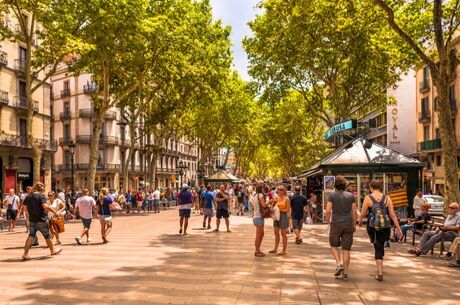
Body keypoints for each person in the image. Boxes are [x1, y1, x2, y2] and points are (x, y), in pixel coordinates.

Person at [358, 179, 402, 281]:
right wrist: (398, 228)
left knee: (377, 246)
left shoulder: (368, 198)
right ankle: (381, 261)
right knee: (380, 245)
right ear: (380, 187)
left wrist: (359, 222)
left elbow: (363, 213)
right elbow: (392, 215)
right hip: (385, 226)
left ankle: (380, 273)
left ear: (371, 187)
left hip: (372, 227)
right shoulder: (387, 198)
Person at [326, 176, 357, 279]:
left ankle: (339, 264)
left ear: (335, 185)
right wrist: (354, 224)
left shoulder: (332, 195)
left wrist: (327, 221)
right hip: (348, 223)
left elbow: (328, 210)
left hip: (336, 223)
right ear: (344, 185)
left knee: (333, 245)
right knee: (346, 249)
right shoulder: (351, 196)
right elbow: (354, 212)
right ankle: (346, 273)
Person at [22, 182, 62, 261]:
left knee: (31, 236)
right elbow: (45, 206)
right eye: (43, 186)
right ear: (40, 188)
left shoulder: (28, 197)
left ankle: (25, 254)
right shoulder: (41, 196)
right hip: (41, 219)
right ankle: (52, 251)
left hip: (32, 220)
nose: (44, 188)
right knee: (47, 236)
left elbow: (25, 208)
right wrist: (55, 212)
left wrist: (29, 214)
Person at [269, 185, 291, 255]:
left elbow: (288, 209)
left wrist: (280, 210)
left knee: (283, 233)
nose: (279, 191)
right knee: (276, 232)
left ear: (284, 191)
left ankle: (284, 250)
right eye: (278, 189)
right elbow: (272, 206)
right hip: (276, 216)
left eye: (281, 189)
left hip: (283, 216)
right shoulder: (276, 198)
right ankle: (275, 248)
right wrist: (273, 206)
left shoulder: (287, 199)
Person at [251, 183, 268, 257]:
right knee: (258, 235)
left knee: (261, 234)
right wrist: (270, 202)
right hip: (258, 217)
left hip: (256, 216)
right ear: (261, 189)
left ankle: (258, 250)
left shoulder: (254, 195)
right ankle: (257, 251)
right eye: (263, 188)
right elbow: (264, 205)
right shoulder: (260, 195)